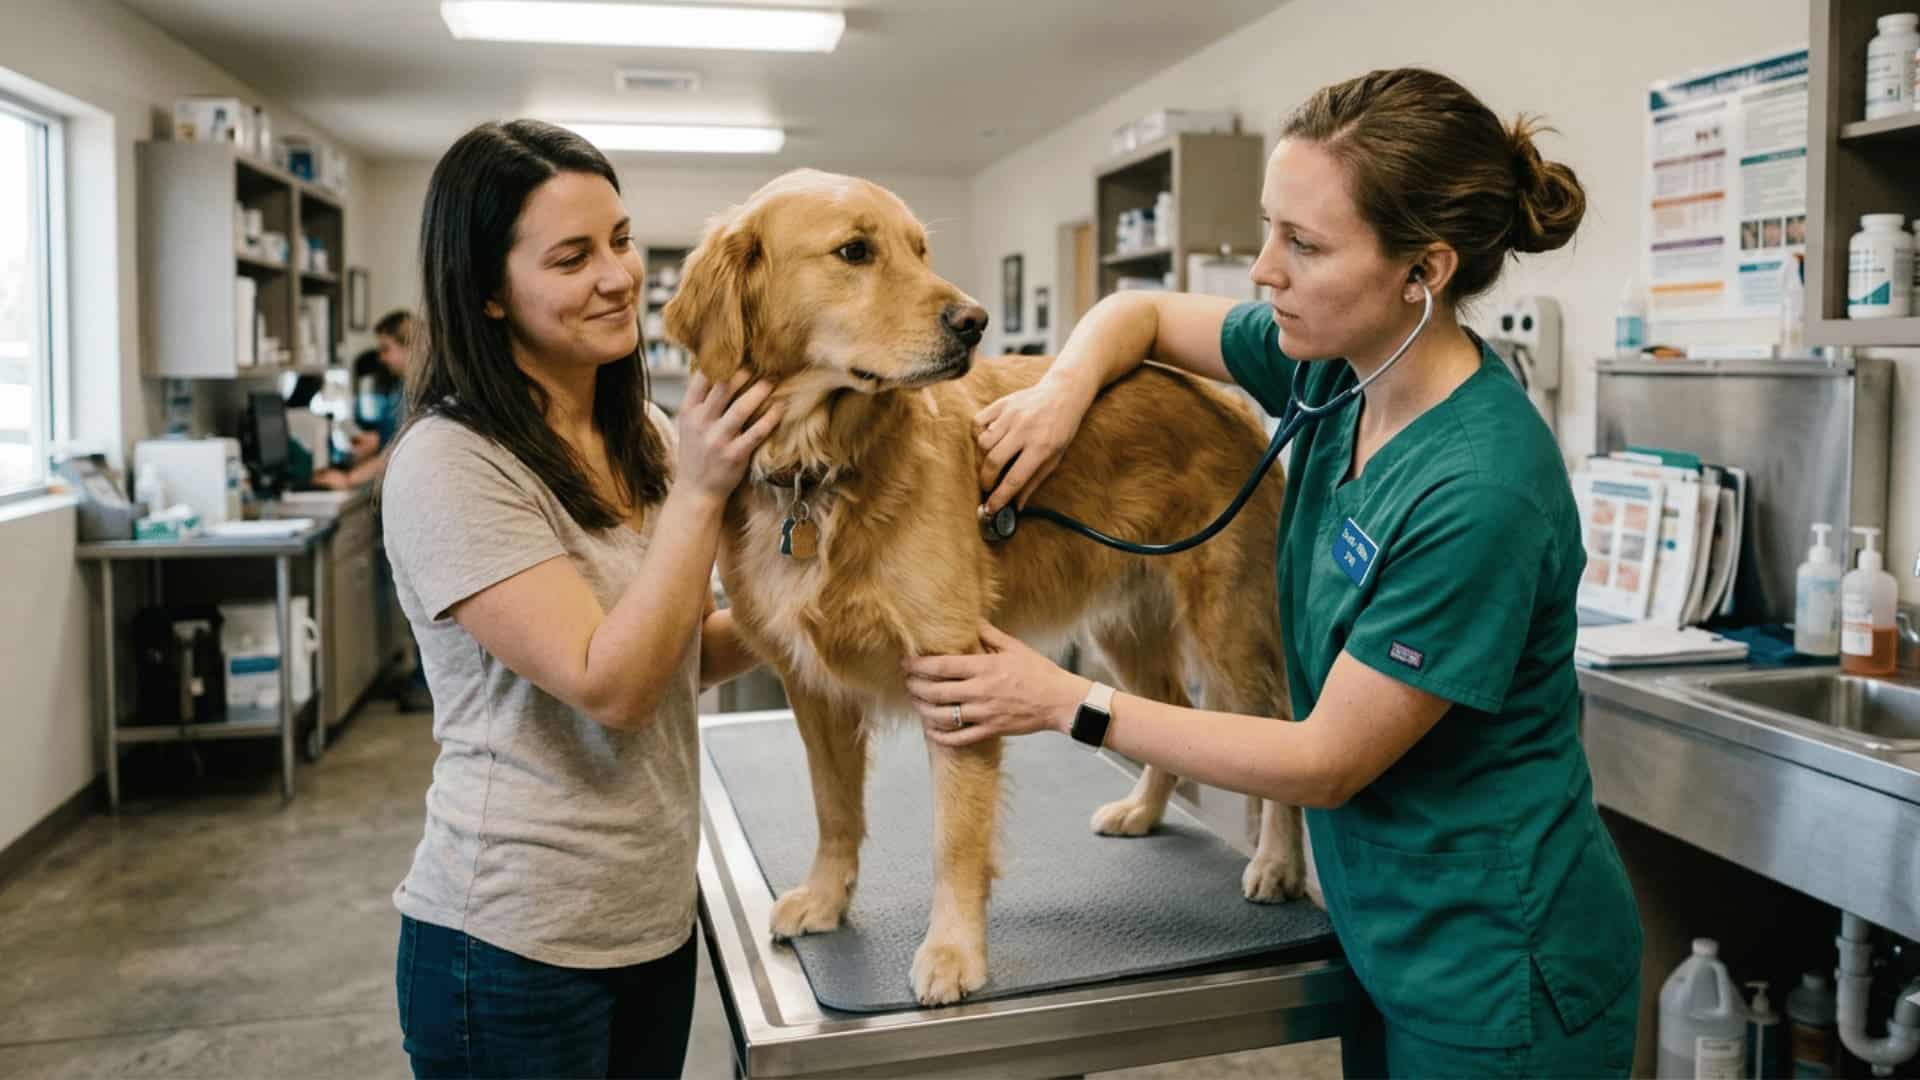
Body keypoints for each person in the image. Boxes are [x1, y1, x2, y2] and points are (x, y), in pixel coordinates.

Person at [902, 68, 1642, 1076]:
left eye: (1304, 244)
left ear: (1422, 269)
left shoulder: (1481, 491)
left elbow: (1325, 759)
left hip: (1500, 965)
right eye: (1268, 229)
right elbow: (1140, 315)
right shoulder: (1336, 367)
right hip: (1383, 925)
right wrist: (1060, 394)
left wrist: (1066, 700)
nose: (1261, 270)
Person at [381, 119, 780, 1078]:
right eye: (571, 258)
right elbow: (615, 685)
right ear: (485, 290)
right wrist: (701, 490)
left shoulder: (639, 431)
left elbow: (684, 650)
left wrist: (815, 612)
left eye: (621, 239)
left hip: (647, 919)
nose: (619, 276)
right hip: (513, 948)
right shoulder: (451, 463)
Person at [312, 309, 416, 490]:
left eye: (386, 349)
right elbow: (396, 435)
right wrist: (376, 440)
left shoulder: (416, 391)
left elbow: (395, 453)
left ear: (408, 345)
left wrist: (348, 479)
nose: (381, 358)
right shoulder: (401, 388)